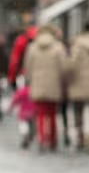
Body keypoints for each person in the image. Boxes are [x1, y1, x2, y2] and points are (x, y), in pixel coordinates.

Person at [24, 24, 68, 152]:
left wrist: (30, 81)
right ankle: (53, 140)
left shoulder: (32, 47)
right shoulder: (58, 47)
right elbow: (63, 67)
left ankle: (43, 139)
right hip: (54, 84)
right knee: (53, 113)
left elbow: (28, 67)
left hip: (38, 84)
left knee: (41, 114)